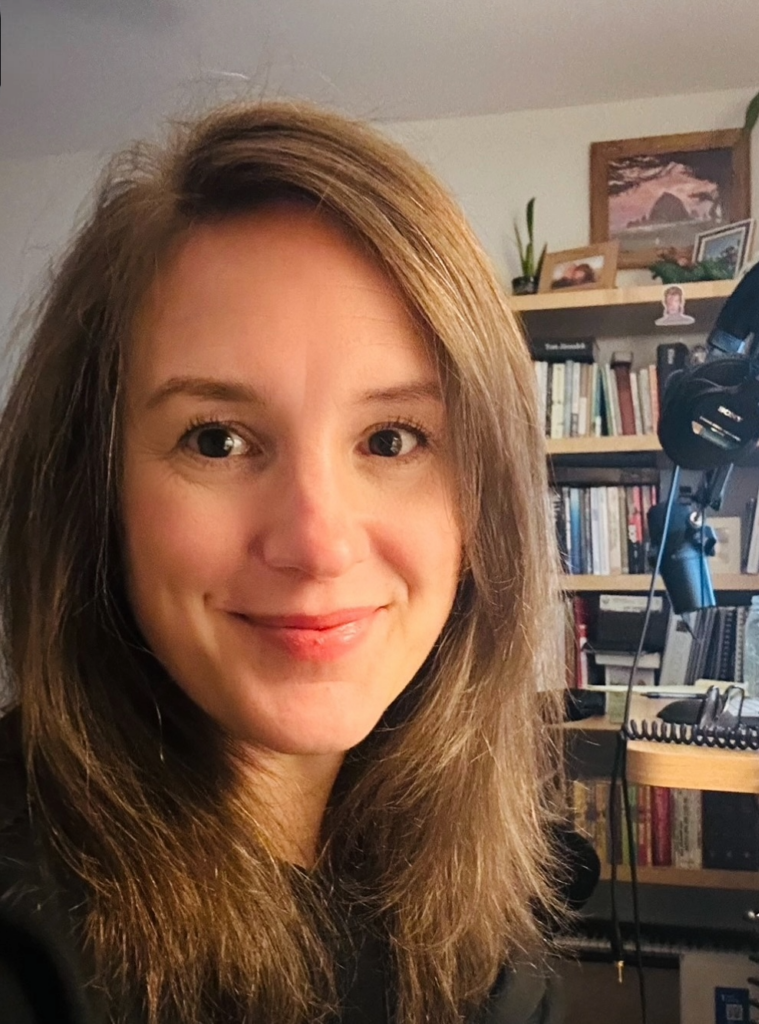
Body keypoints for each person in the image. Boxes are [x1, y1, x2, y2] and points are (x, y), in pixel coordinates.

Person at [0, 101, 585, 1024]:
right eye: (218, 440)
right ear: (91, 486)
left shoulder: (481, 900)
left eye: (392, 439)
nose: (318, 543)